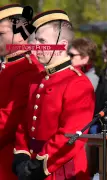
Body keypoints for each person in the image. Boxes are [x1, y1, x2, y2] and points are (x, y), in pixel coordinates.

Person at [12, 10, 95, 180]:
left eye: (43, 41)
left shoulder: (78, 83)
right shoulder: (37, 79)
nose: (35, 47)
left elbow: (71, 136)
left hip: (61, 170)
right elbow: (24, 123)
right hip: (33, 164)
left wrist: (40, 165)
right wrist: (22, 155)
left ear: (63, 45)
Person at [0, 4, 40, 180]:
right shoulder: (9, 66)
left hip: (9, 162)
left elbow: (8, 121)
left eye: (1, 34)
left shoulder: (28, 70)